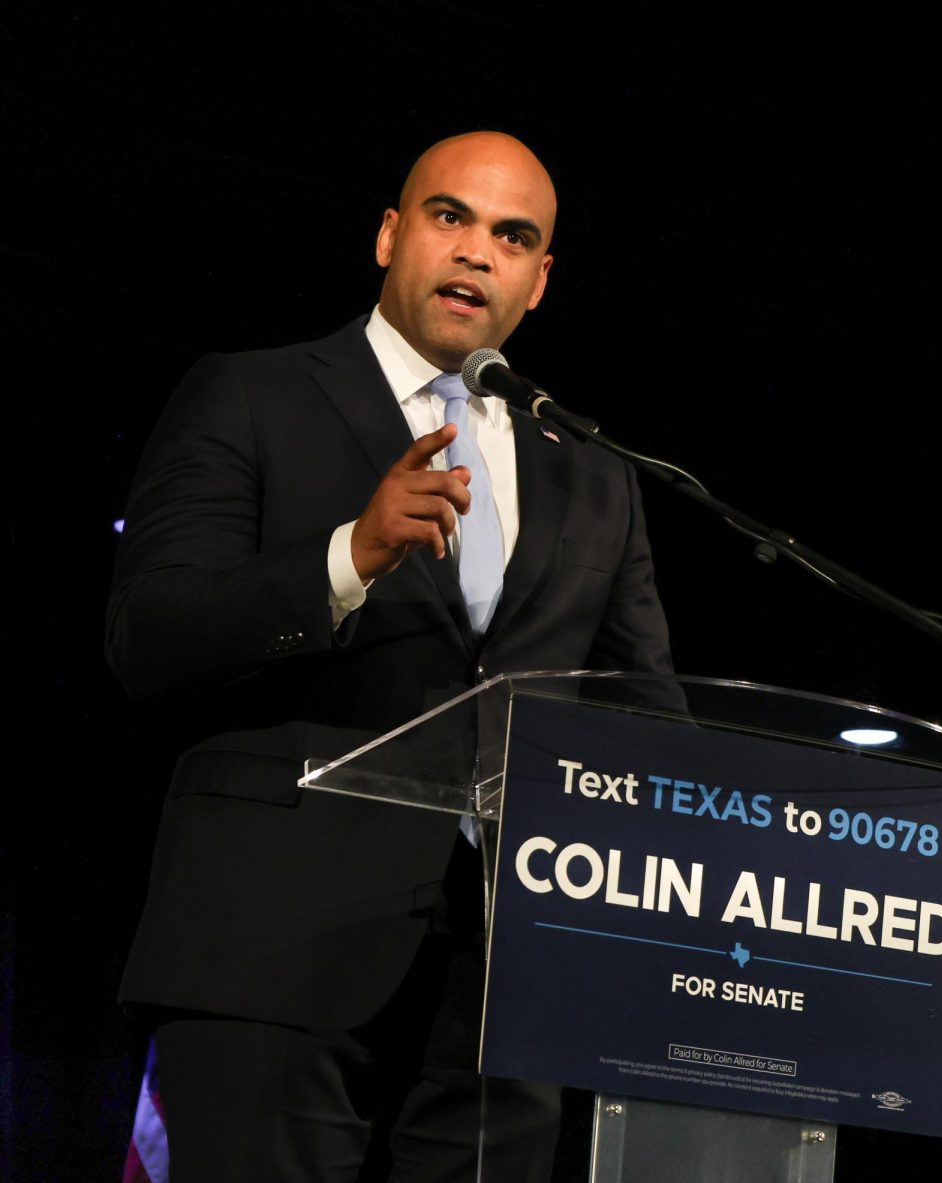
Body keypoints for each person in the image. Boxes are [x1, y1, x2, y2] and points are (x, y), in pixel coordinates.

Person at [106, 130, 673, 1182]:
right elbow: (150, 635)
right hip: (270, 953)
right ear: (389, 234)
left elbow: (645, 714)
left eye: (512, 236)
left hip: (506, 985)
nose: (475, 252)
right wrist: (347, 557)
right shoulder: (251, 394)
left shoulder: (594, 472)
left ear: (539, 280)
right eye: (448, 217)